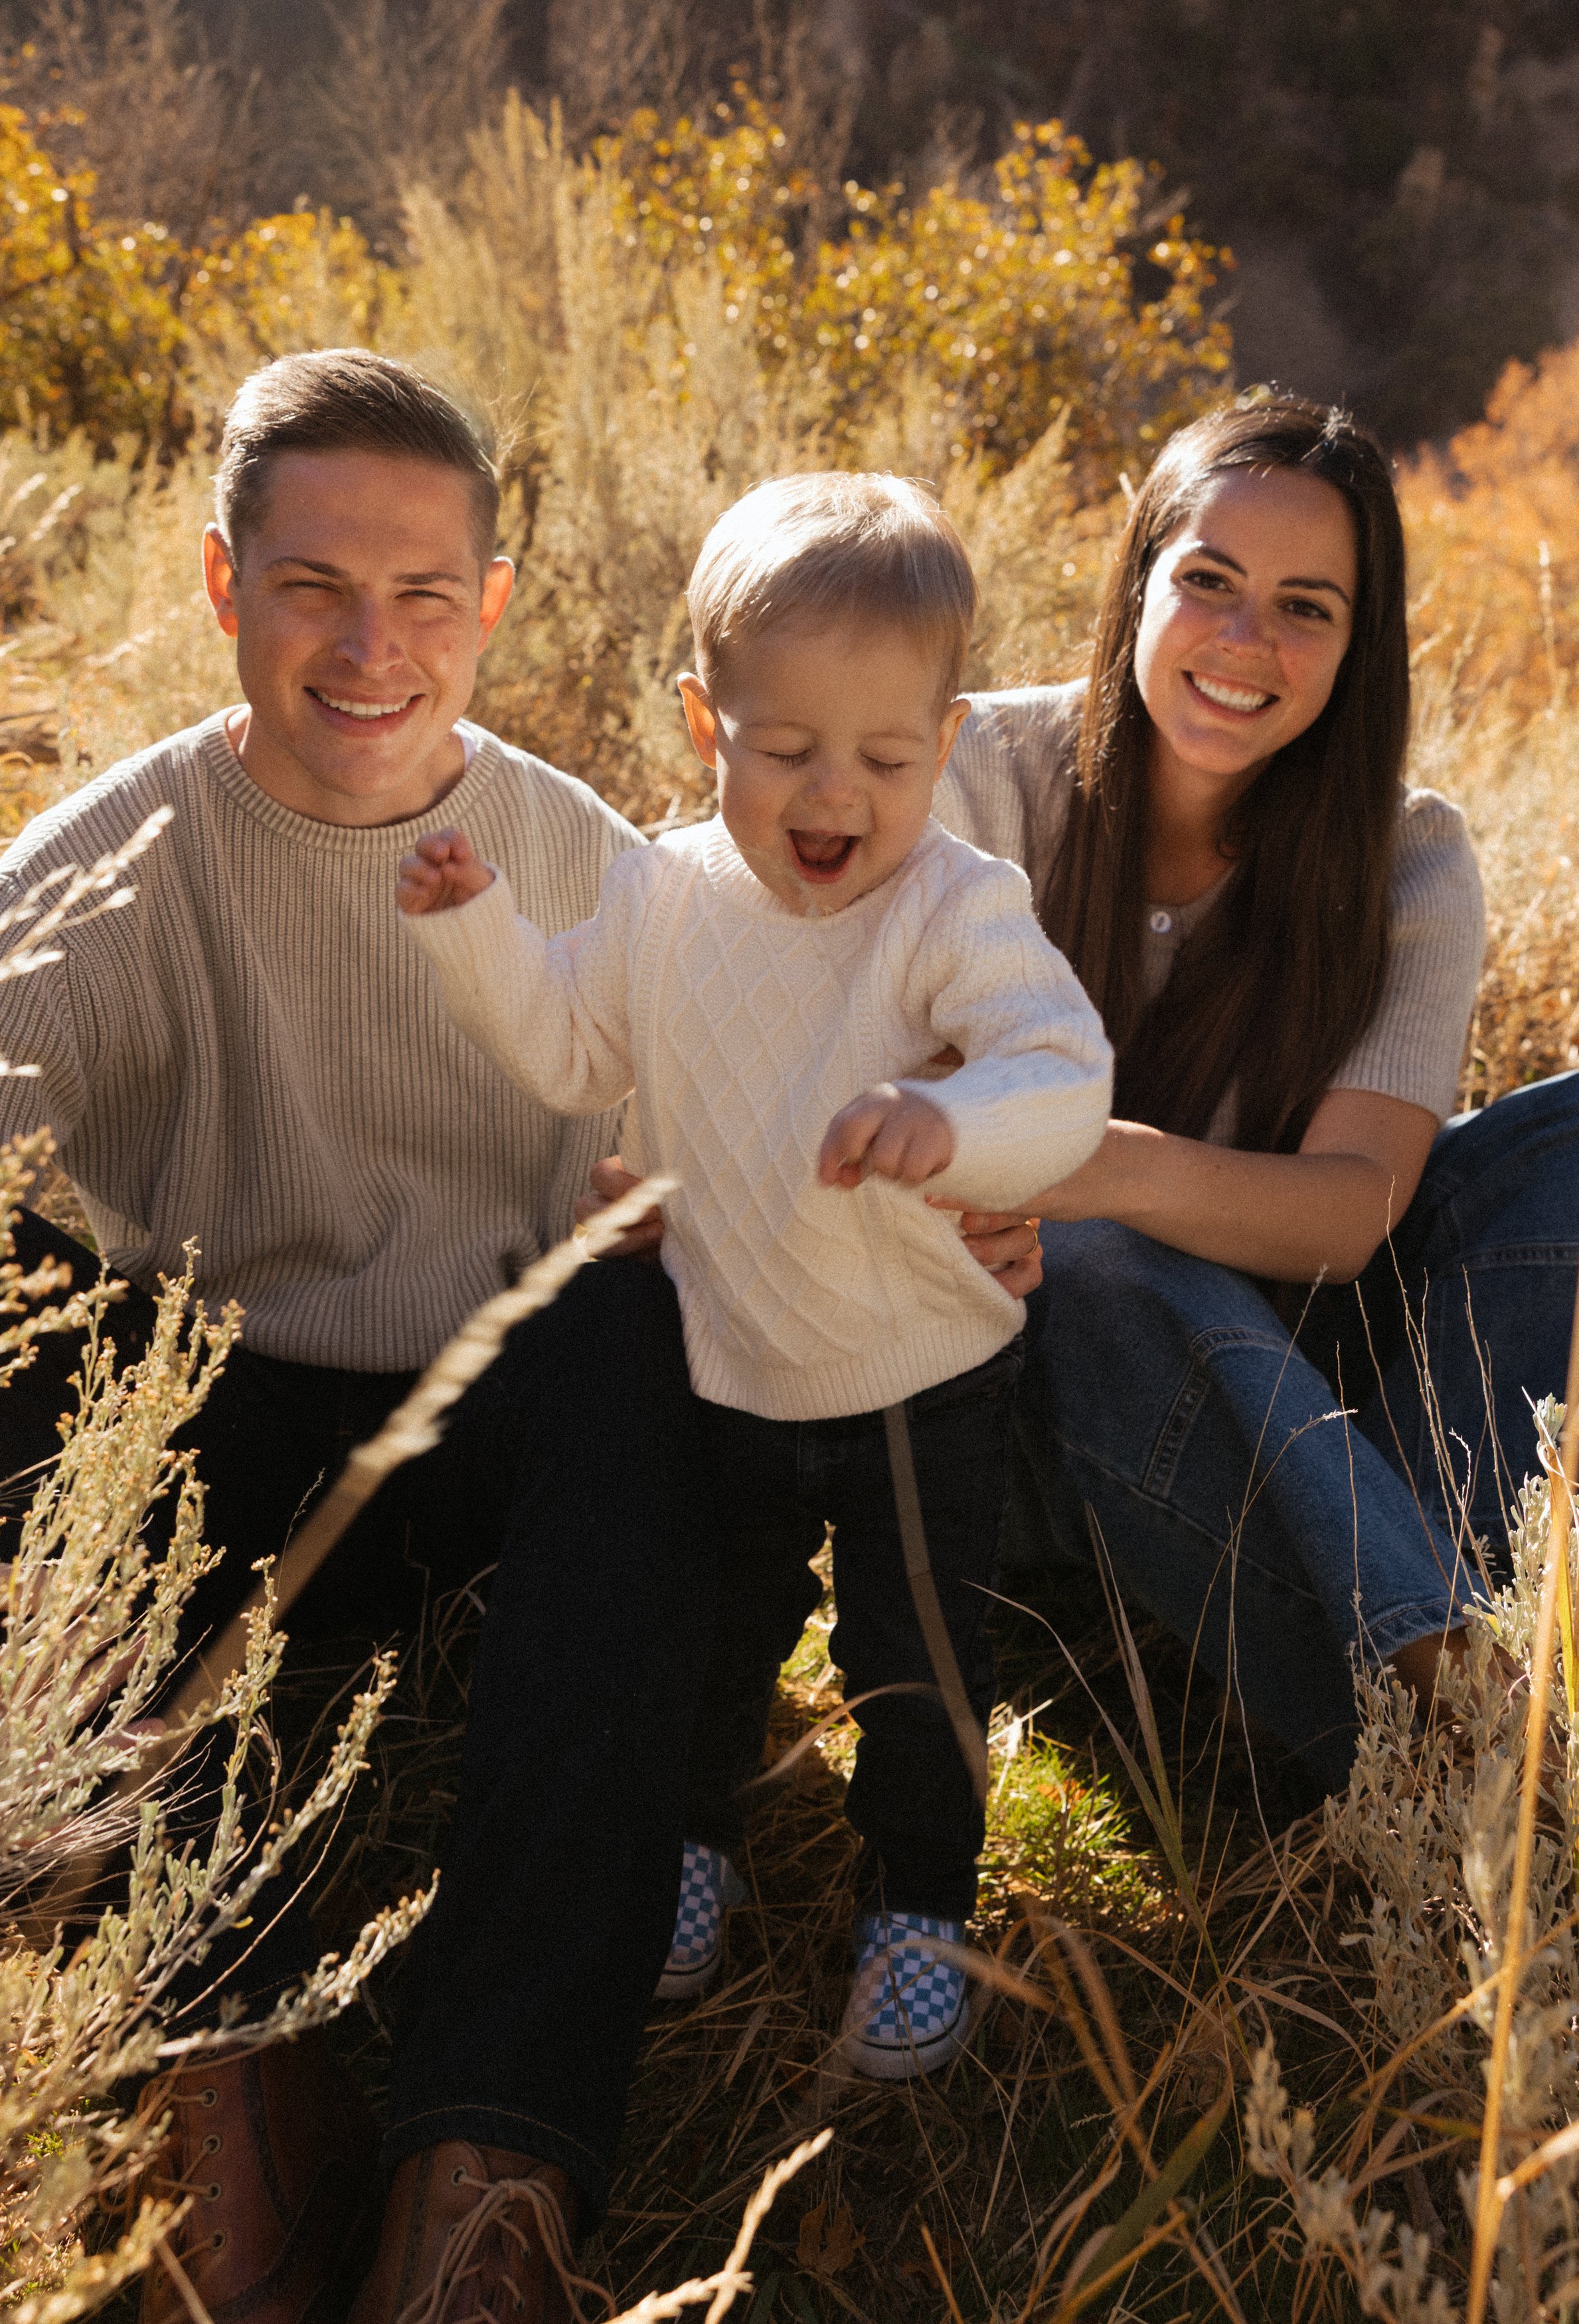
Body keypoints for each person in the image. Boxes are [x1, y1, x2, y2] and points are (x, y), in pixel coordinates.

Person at [0, 352, 1042, 2324]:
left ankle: (485, 2179)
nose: (371, 647)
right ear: (220, 584)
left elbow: (795, 1094)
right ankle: (235, 2096)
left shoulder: (597, 867)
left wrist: (958, 1181)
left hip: (513, 1429)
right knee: (10, 1364)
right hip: (206, 1424)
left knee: (635, 1318)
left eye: (423, 593)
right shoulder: (118, 869)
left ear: (496, 599)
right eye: (311, 588)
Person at [396, 473, 1112, 2081]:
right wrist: (480, 934)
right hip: (727, 1356)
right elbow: (575, 1052)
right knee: (715, 1630)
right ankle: (699, 1844)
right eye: (784, 748)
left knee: (915, 1662)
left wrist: (952, 1116)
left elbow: (1060, 1070)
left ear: (946, 740)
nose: (833, 794)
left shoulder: (953, 906)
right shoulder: (660, 892)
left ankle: (919, 1903)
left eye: (886, 756)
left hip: (922, 1372)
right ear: (701, 721)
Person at [930, 391, 1579, 1792]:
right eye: (1208, 583)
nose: (1246, 643)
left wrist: (1086, 1157)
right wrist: (1080, 1191)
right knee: (1099, 1253)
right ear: (1136, 585)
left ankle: (1459, 1606)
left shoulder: (1405, 861)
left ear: (1356, 650)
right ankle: (1428, 1729)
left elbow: (1350, 1213)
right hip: (1035, 1412)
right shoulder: (977, 777)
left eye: (1305, 608)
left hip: (1300, 1388)